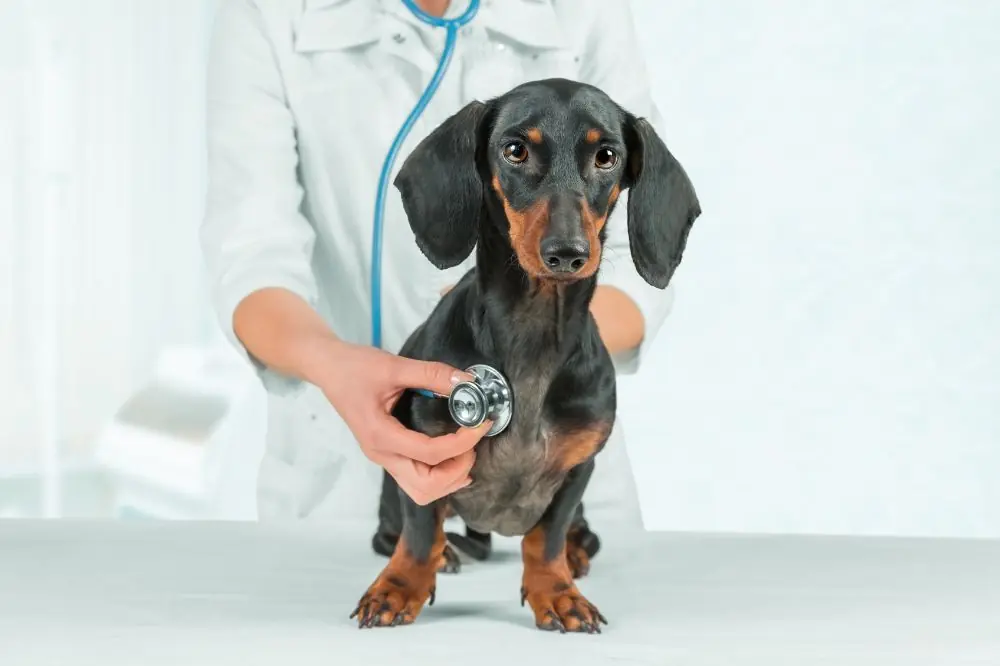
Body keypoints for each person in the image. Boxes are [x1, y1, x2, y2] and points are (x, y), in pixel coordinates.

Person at [200, 0, 675, 535]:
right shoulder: (268, 13)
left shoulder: (584, 9)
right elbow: (253, 255)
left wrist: (517, 346)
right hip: (349, 485)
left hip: (560, 484)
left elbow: (644, 251)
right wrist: (333, 364)